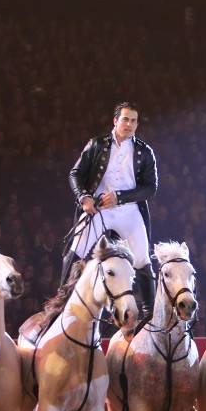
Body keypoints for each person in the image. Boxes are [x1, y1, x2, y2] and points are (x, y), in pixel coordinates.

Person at [61, 101, 158, 320]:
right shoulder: (96, 144)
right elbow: (75, 174)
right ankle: (62, 305)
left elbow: (150, 188)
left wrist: (120, 197)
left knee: (143, 259)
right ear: (115, 121)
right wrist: (84, 198)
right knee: (75, 250)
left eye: (134, 120)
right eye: (125, 119)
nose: (130, 124)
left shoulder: (144, 151)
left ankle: (150, 316)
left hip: (129, 211)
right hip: (98, 209)